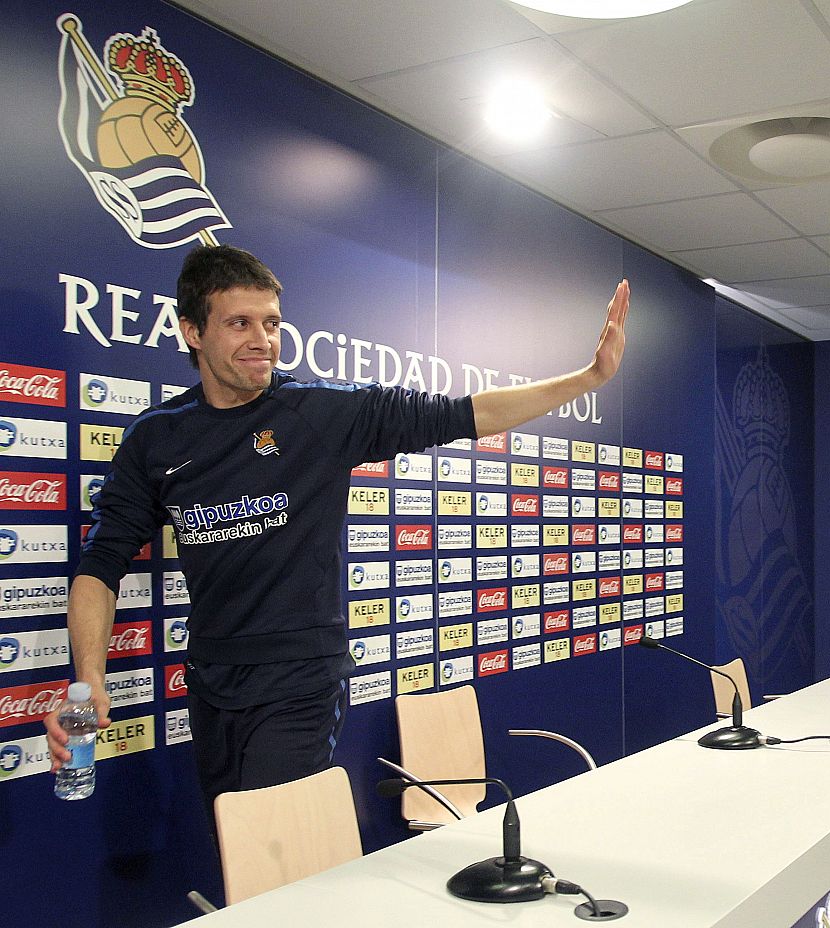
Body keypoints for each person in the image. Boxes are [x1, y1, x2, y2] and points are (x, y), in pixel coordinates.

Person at [45, 244, 629, 804]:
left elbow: (464, 414)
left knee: (277, 845)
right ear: (192, 331)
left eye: (271, 323)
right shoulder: (157, 435)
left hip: (301, 679)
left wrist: (587, 379)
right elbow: (102, 563)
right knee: (235, 844)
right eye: (239, 324)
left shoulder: (320, 412)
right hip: (211, 680)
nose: (262, 341)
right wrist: (89, 677)